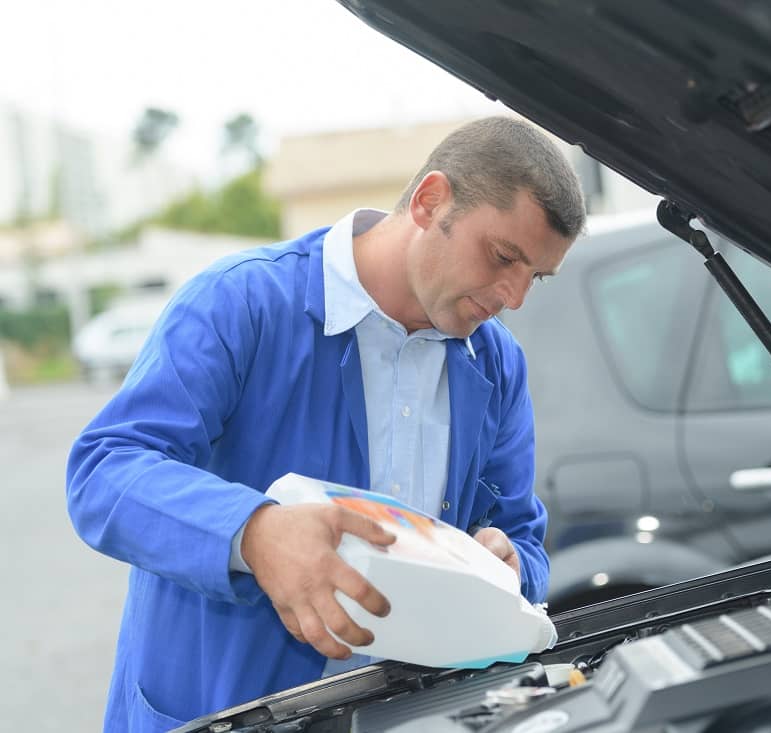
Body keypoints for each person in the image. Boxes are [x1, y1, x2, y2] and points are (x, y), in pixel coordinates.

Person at [66, 116, 587, 732]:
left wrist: (511, 566)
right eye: (504, 257)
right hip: (214, 713)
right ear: (429, 201)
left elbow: (521, 535)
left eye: (536, 277)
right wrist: (255, 533)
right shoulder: (240, 303)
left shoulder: (497, 365)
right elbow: (104, 472)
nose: (515, 296)